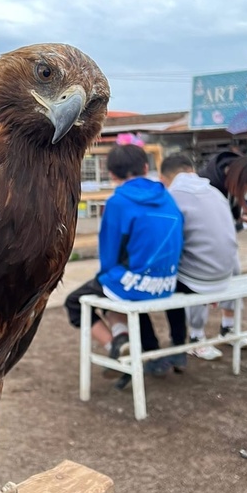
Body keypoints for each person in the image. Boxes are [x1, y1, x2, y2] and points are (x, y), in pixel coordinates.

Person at [64, 143, 184, 385]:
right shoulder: (166, 196)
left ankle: (117, 348)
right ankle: (127, 342)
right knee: (112, 288)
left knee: (77, 300)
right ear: (145, 166)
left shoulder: (119, 202)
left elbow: (109, 254)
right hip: (167, 282)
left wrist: (109, 276)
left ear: (111, 174)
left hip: (136, 283)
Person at [160, 152, 240, 362]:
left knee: (161, 275)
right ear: (192, 171)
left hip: (199, 279)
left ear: (163, 180)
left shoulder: (172, 196)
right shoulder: (215, 192)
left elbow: (169, 244)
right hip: (225, 276)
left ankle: (184, 343)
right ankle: (209, 333)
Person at [196, 151, 247, 343]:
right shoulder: (206, 183)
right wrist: (231, 225)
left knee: (235, 273)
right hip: (198, 244)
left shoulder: (230, 179)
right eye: (246, 189)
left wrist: (237, 217)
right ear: (239, 179)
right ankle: (196, 337)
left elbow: (231, 202)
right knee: (199, 285)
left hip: (222, 240)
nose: (245, 194)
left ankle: (228, 328)